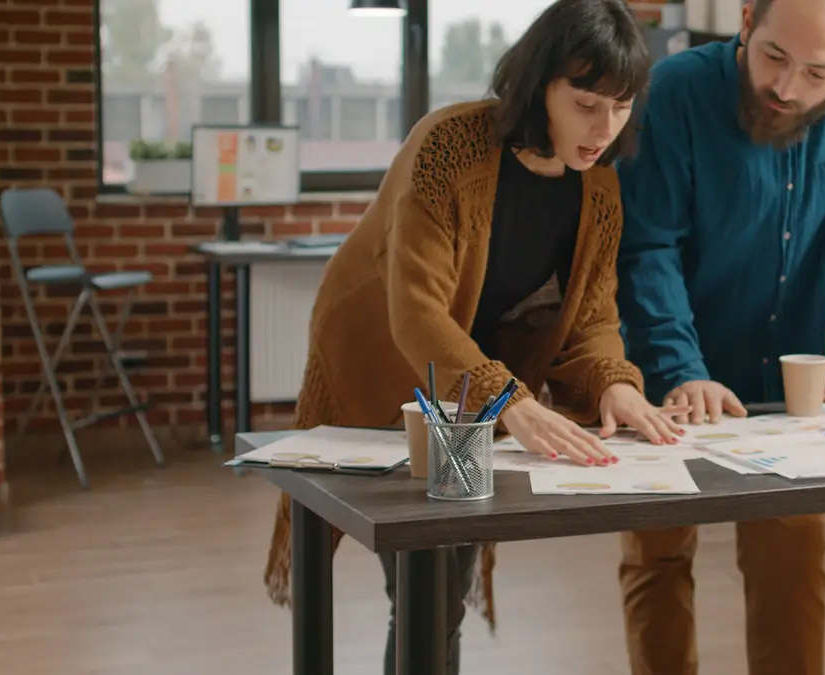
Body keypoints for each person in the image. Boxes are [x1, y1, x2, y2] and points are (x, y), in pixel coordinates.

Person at [261, 1, 681, 673]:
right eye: (585, 103)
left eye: (622, 106)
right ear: (540, 82)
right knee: (421, 570)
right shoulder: (448, 146)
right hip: (383, 355)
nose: (605, 128)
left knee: (440, 578)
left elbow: (594, 321)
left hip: (468, 381)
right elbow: (417, 314)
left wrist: (616, 384)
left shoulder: (598, 187)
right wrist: (505, 398)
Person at [614, 0, 825, 673]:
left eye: (817, 73)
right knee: (657, 555)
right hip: (669, 381)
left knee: (791, 557)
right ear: (748, 20)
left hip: (788, 388)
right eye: (774, 58)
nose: (786, 90)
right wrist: (679, 366)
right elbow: (646, 249)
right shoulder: (676, 91)